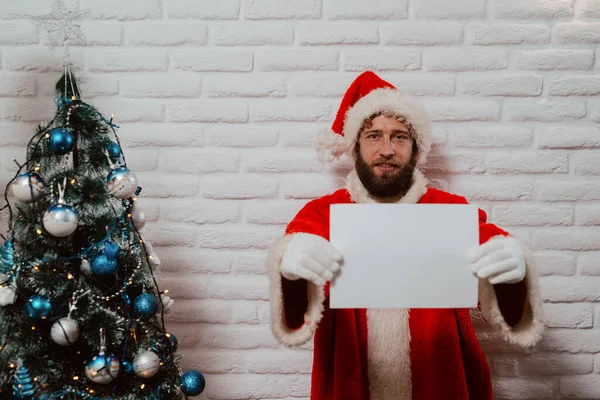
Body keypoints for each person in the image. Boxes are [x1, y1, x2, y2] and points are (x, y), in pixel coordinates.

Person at [266, 71, 545, 400]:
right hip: (350, 383)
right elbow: (297, 316)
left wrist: (512, 267)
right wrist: (292, 266)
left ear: (416, 148)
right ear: (355, 146)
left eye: (399, 137)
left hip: (441, 385)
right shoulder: (322, 214)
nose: (387, 149)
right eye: (373, 136)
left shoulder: (450, 211)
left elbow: (505, 300)